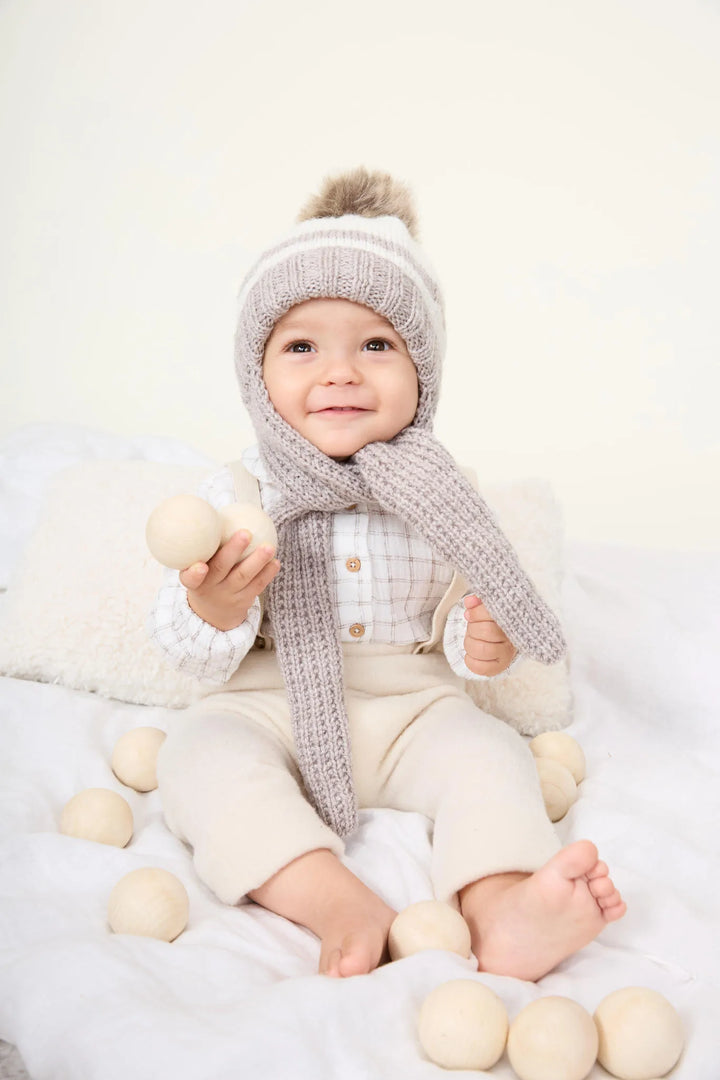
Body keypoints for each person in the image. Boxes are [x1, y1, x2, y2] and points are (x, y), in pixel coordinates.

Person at [149, 166, 625, 981]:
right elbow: (184, 651)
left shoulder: (445, 494)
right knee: (197, 756)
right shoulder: (235, 494)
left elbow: (463, 622)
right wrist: (216, 605)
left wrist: (485, 642)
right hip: (271, 706)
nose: (340, 372)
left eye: (376, 344)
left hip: (412, 712)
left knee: (491, 755)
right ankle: (334, 898)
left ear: (423, 375)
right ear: (256, 375)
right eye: (302, 346)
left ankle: (503, 904)